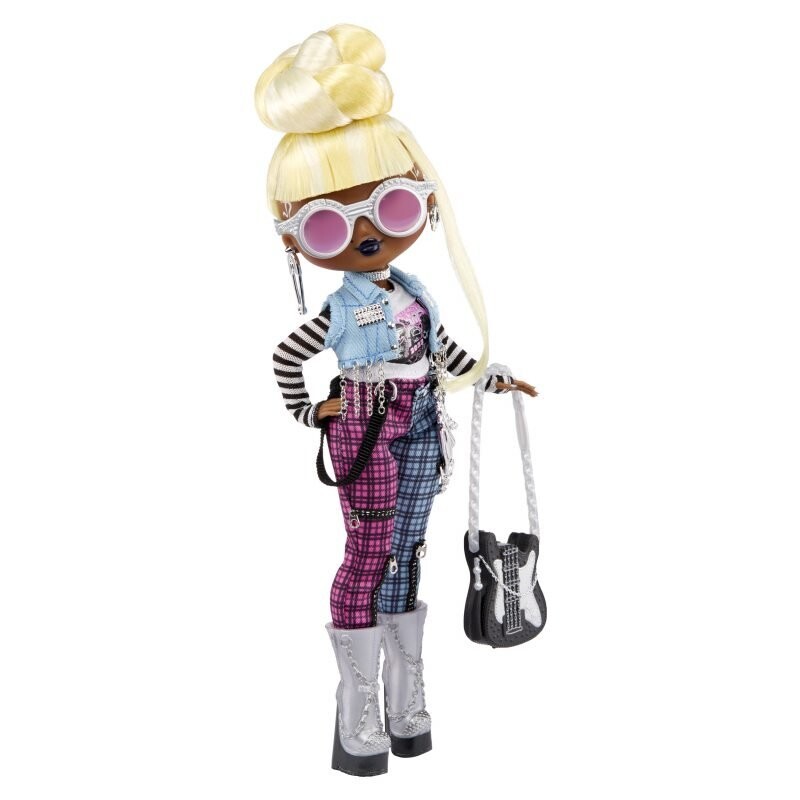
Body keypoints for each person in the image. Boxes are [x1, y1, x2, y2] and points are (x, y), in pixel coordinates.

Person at [255, 23, 537, 777]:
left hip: (420, 421)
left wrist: (488, 376)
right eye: (326, 224)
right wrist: (311, 410)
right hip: (367, 425)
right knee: (369, 549)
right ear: (294, 240)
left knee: (407, 549)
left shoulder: (415, 290)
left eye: (397, 207)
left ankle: (407, 698)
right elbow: (287, 356)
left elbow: (438, 354)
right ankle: (358, 710)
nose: (369, 233)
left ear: (427, 204)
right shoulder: (340, 309)